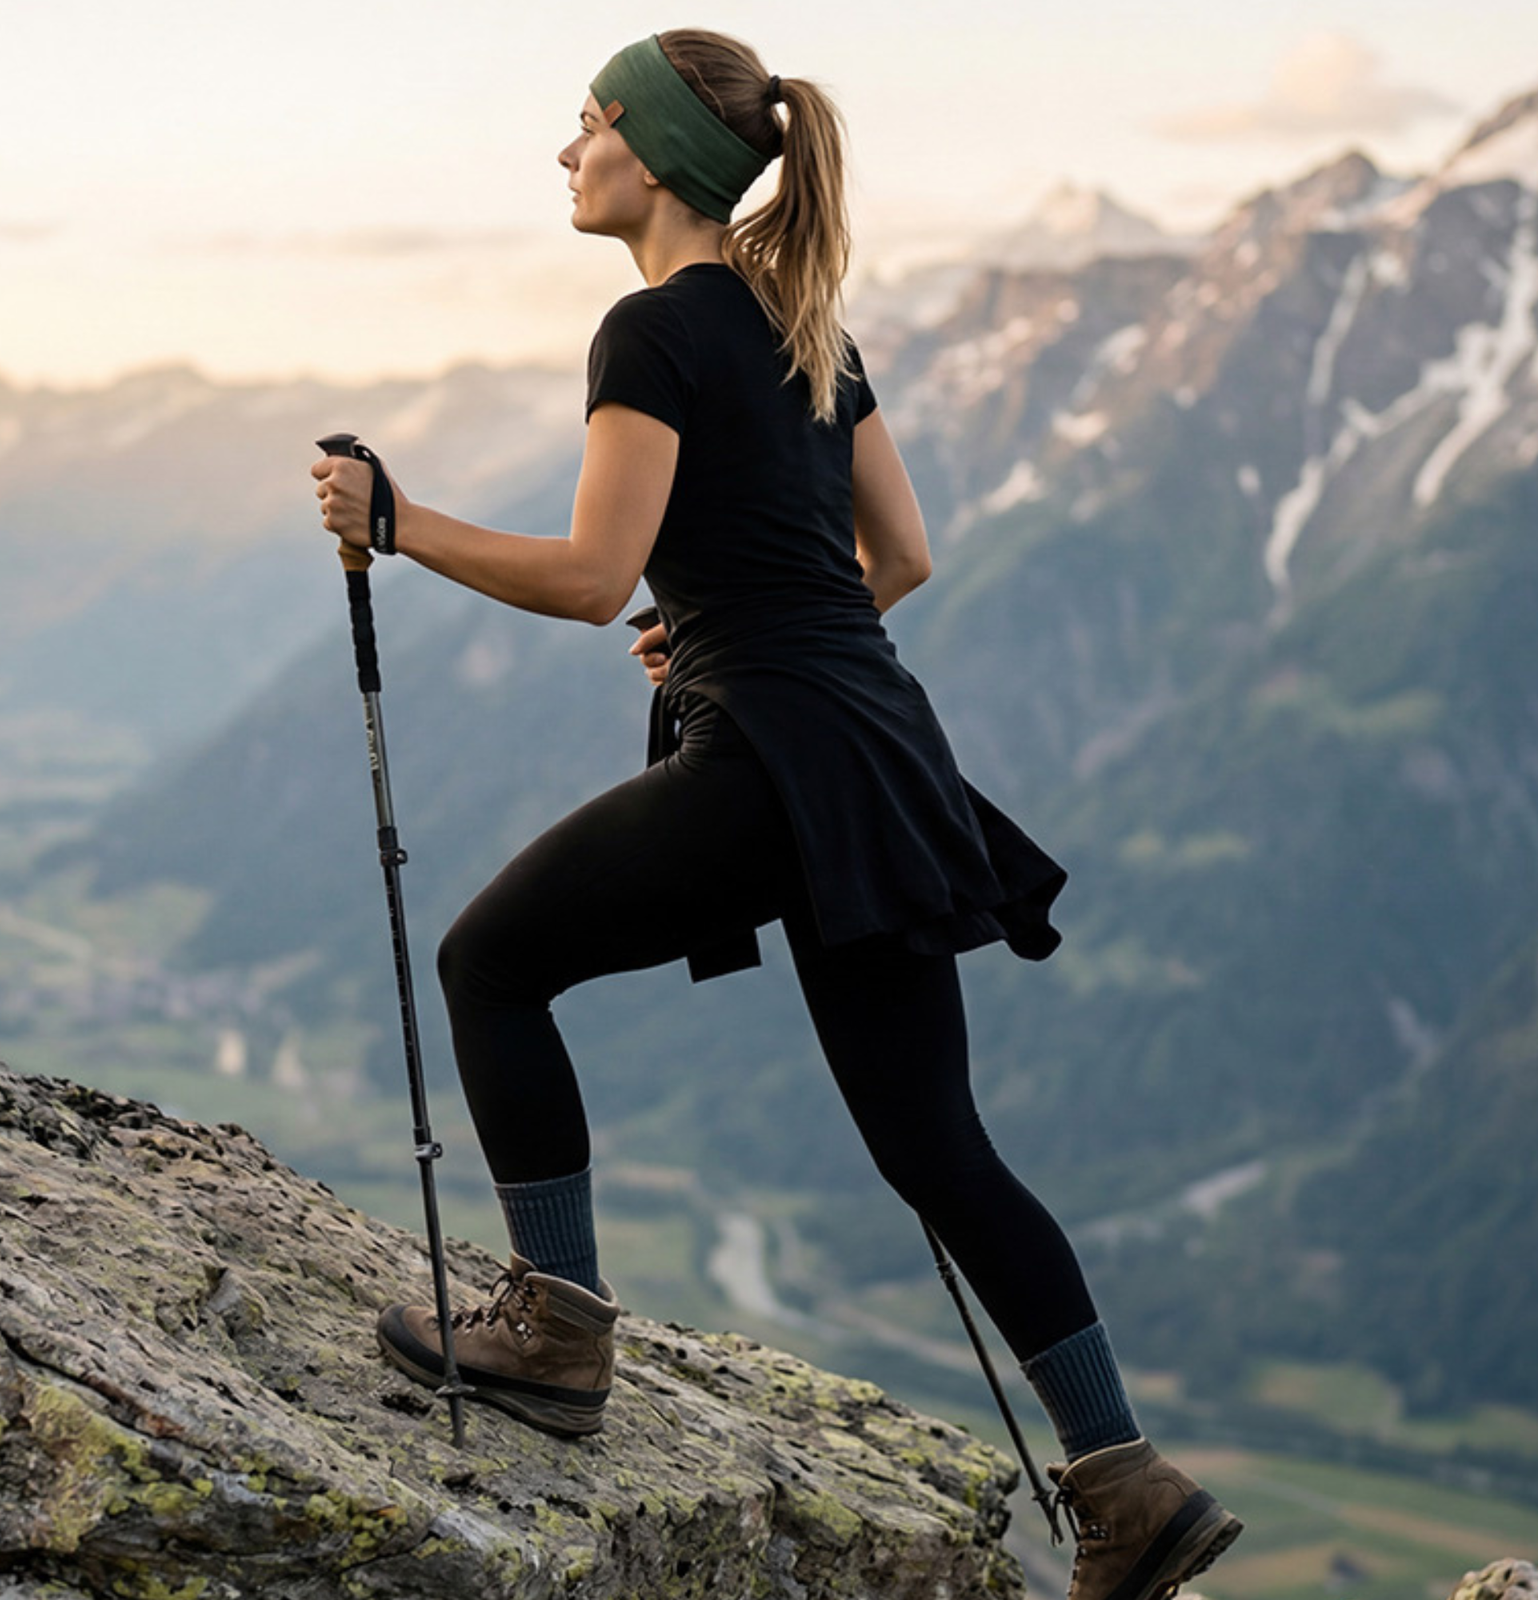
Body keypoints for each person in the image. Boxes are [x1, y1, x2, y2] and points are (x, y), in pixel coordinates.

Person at [312, 29, 1241, 1600]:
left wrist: (397, 522)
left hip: (776, 763)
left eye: (586, 124)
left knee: (491, 961)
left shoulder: (651, 331)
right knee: (940, 1142)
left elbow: (596, 577)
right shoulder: (809, 323)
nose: (565, 152)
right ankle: (1127, 1483)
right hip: (884, 755)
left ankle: (552, 1329)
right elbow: (905, 557)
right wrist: (737, 620)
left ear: (656, 153)